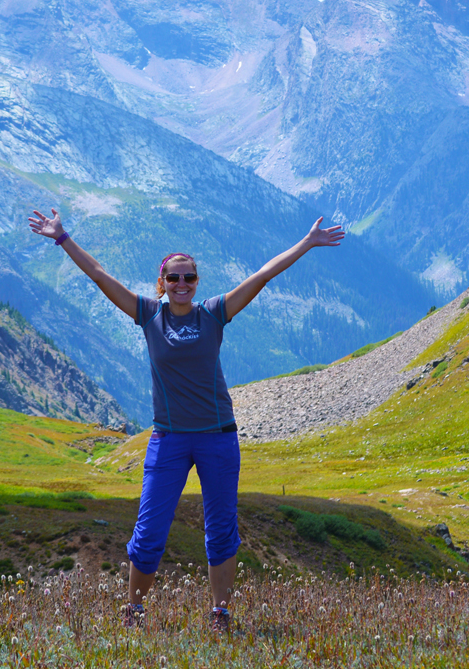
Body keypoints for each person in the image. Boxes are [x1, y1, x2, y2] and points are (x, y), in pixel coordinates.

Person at [26, 207, 344, 633]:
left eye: (189, 277)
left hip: (217, 438)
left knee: (221, 531)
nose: (181, 284)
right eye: (174, 278)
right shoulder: (146, 314)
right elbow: (100, 275)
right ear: (163, 283)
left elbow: (263, 275)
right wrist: (62, 238)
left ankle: (220, 613)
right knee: (149, 532)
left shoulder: (213, 313)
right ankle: (134, 611)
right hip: (169, 439)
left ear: (197, 283)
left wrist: (306, 243)